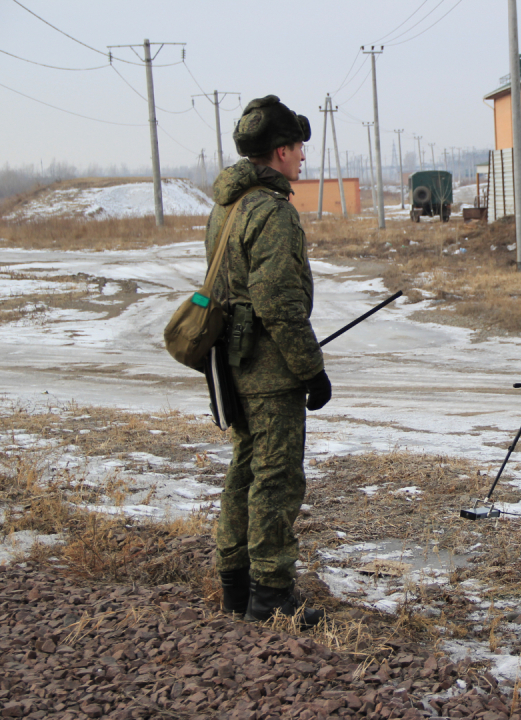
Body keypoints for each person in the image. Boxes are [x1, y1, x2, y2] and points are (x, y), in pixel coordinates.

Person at [208, 95, 330, 629]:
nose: (303, 157)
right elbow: (279, 303)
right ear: (280, 151)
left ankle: (235, 586)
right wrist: (311, 370)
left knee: (244, 471)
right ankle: (270, 596)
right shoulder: (272, 212)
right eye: (298, 147)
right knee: (275, 480)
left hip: (234, 364)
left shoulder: (227, 207)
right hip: (270, 370)